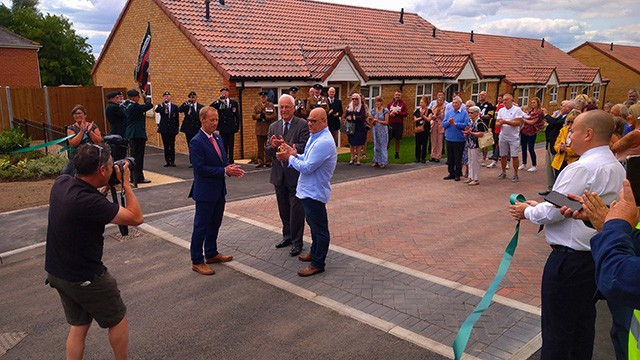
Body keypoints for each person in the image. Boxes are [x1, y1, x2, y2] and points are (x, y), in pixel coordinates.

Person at [509, 110, 625, 359]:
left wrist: (525, 212)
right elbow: (568, 204)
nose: (570, 135)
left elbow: (554, 212)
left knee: (557, 332)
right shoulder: (616, 166)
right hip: (594, 258)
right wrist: (535, 207)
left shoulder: (580, 168)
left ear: (589, 133)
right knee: (582, 327)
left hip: (569, 261)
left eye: (573, 130)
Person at [45, 143, 143, 360]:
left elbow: (74, 167)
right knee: (117, 318)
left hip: (57, 272)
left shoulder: (62, 183)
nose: (112, 169)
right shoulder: (88, 201)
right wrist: (126, 183)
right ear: (101, 171)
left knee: (79, 325)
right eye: (109, 166)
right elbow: (136, 218)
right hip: (84, 276)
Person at [276, 107, 337, 277]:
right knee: (314, 225)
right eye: (309, 120)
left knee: (319, 228)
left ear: (324, 122)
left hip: (315, 192)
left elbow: (309, 167)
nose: (309, 123)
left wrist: (290, 158)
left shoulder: (323, 141)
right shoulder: (315, 137)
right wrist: (295, 154)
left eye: (313, 121)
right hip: (308, 191)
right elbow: (307, 158)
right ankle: (314, 252)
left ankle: (318, 263)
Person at [188, 106, 245, 275]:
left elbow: (224, 160)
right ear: (203, 120)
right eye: (212, 120)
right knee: (201, 226)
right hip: (205, 192)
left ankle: (211, 253)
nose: (215, 123)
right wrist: (224, 171)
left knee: (215, 223)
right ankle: (197, 260)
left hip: (219, 190)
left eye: (216, 119)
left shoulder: (218, 138)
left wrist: (230, 167)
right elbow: (200, 169)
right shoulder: (196, 141)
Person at [265, 94, 310, 256]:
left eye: (287, 107)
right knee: (283, 209)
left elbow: (305, 147)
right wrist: (272, 146)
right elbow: (268, 150)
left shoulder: (303, 125)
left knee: (296, 210)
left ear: (293, 108)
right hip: (279, 175)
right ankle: (288, 236)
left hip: (295, 175)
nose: (284, 110)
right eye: (281, 107)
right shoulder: (274, 126)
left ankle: (297, 242)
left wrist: (287, 145)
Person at [539, 100, 575, 195]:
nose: (561, 107)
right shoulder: (560, 117)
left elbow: (554, 123)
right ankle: (551, 189)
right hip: (553, 146)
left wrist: (547, 115)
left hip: (565, 155)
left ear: (569, 108)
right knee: (550, 168)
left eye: (563, 106)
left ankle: (557, 191)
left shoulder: (566, 119)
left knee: (560, 173)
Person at [62, 105, 103, 176]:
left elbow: (99, 141)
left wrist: (90, 132)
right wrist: (81, 131)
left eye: (79, 113)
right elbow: (73, 143)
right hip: (77, 156)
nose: (77, 115)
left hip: (91, 155)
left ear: (85, 115)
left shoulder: (93, 126)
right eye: (75, 113)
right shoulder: (71, 128)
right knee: (67, 174)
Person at [122, 89, 153, 184]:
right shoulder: (134, 107)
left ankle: (135, 176)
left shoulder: (126, 105)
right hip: (137, 134)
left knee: (134, 157)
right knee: (138, 158)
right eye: (137, 97)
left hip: (132, 133)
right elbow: (149, 105)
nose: (138, 98)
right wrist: (146, 97)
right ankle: (137, 177)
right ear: (133, 97)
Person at [496, 94, 523, 182]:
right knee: (503, 155)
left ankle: (515, 173)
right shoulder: (501, 110)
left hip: (513, 136)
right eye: (503, 100)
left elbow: (517, 122)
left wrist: (505, 122)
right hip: (503, 135)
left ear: (512, 100)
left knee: (514, 155)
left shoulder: (517, 110)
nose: (504, 102)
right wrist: (499, 124)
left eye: (506, 100)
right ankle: (503, 171)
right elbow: (497, 123)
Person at [211, 87, 240, 164]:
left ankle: (231, 160)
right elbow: (211, 107)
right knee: (223, 145)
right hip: (223, 127)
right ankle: (224, 159)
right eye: (223, 92)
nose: (224, 94)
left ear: (228, 93)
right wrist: (218, 101)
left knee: (231, 145)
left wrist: (237, 126)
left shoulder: (233, 103)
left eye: (226, 92)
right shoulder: (219, 103)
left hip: (231, 127)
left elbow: (237, 116)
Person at [442, 96, 468, 181]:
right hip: (449, 137)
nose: (454, 104)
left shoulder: (464, 113)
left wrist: (455, 123)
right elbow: (443, 124)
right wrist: (448, 122)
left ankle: (458, 173)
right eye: (453, 103)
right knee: (450, 157)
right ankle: (451, 173)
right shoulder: (449, 112)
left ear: (460, 104)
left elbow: (465, 125)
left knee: (458, 157)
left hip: (459, 139)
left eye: (456, 103)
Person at [551, 109, 580, 177]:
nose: (570, 124)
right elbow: (556, 144)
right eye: (568, 122)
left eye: (572, 122)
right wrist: (560, 148)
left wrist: (567, 150)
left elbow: (580, 150)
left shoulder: (581, 133)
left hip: (572, 163)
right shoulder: (564, 130)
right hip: (559, 162)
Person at [252, 90, 277, 168]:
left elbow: (274, 116)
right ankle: (260, 161)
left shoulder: (270, 105)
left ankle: (268, 161)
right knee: (260, 147)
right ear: (260, 98)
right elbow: (253, 115)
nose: (263, 98)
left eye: (264, 97)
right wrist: (259, 116)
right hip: (259, 129)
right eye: (262, 97)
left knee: (268, 146)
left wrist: (266, 117)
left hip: (267, 128)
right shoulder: (256, 106)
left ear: (267, 97)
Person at [179, 91, 204, 168]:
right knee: (191, 145)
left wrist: (192, 108)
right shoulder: (186, 106)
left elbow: (199, 117)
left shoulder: (200, 107)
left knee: (199, 145)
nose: (192, 99)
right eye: (190, 97)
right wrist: (185, 104)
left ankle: (199, 160)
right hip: (189, 129)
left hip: (197, 129)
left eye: (193, 97)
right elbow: (179, 110)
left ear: (196, 98)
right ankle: (192, 162)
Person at [519, 97, 545, 172]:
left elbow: (532, 122)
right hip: (525, 131)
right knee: (523, 147)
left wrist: (522, 119)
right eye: (531, 102)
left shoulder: (539, 112)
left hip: (532, 131)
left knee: (531, 148)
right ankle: (524, 163)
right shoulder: (530, 111)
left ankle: (534, 165)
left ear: (538, 103)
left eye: (534, 102)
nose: (532, 104)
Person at [464, 106, 487, 186]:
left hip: (475, 144)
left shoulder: (479, 122)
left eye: (471, 113)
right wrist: (466, 133)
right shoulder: (470, 121)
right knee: (470, 161)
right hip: (469, 143)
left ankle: (475, 178)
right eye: (469, 112)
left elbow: (481, 133)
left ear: (477, 113)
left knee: (475, 161)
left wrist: (471, 133)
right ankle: (470, 176)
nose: (469, 114)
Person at [155, 91, 179, 167]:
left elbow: (177, 119)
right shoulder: (161, 106)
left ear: (170, 97)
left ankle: (172, 161)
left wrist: (177, 128)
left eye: (168, 96)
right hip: (164, 129)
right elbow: (157, 110)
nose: (167, 97)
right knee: (166, 145)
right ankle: (167, 161)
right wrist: (162, 104)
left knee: (172, 145)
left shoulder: (174, 107)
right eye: (165, 96)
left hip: (172, 129)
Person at [345, 93, 367, 165]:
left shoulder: (362, 106)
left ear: (359, 100)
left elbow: (363, 116)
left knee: (359, 144)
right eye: (353, 99)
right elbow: (346, 115)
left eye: (356, 99)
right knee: (351, 143)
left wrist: (356, 117)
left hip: (359, 127)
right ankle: (352, 158)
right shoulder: (349, 106)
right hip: (351, 126)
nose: (354, 100)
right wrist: (348, 118)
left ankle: (358, 159)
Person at [387, 90, 408, 159]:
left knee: (398, 139)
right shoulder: (390, 104)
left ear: (401, 96)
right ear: (394, 95)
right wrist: (390, 114)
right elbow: (386, 113)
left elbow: (405, 114)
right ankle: (385, 153)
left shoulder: (403, 104)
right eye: (396, 95)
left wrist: (398, 113)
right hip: (390, 124)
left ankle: (397, 153)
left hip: (399, 124)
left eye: (398, 95)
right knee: (388, 139)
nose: (397, 96)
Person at [476, 91, 495, 166]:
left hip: (485, 125)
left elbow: (490, 115)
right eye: (480, 95)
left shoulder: (489, 105)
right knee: (476, 142)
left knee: (485, 143)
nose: (481, 96)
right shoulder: (477, 105)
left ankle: (484, 158)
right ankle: (476, 158)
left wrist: (481, 116)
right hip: (477, 125)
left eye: (483, 95)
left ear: (486, 96)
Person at [370, 96, 389, 168]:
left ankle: (383, 161)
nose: (377, 103)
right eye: (376, 102)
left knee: (383, 145)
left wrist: (378, 121)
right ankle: (376, 160)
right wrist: (373, 121)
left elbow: (386, 122)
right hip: (375, 129)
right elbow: (372, 121)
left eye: (378, 102)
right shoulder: (373, 111)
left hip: (383, 129)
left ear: (381, 102)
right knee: (376, 145)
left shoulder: (385, 110)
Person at [413, 96, 432, 163]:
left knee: (424, 143)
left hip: (425, 129)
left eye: (422, 102)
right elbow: (415, 119)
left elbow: (429, 119)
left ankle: (423, 157)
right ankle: (417, 157)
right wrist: (421, 117)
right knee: (417, 144)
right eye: (420, 102)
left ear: (426, 103)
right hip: (418, 129)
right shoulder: (417, 110)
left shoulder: (429, 111)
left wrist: (423, 116)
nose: (420, 104)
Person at [429, 93, 445, 163]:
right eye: (438, 100)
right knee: (433, 141)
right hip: (434, 124)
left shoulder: (445, 108)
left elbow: (444, 117)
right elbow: (431, 115)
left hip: (440, 125)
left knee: (439, 141)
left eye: (441, 100)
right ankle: (433, 155)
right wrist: (434, 115)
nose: (439, 102)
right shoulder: (434, 107)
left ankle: (438, 156)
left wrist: (439, 114)